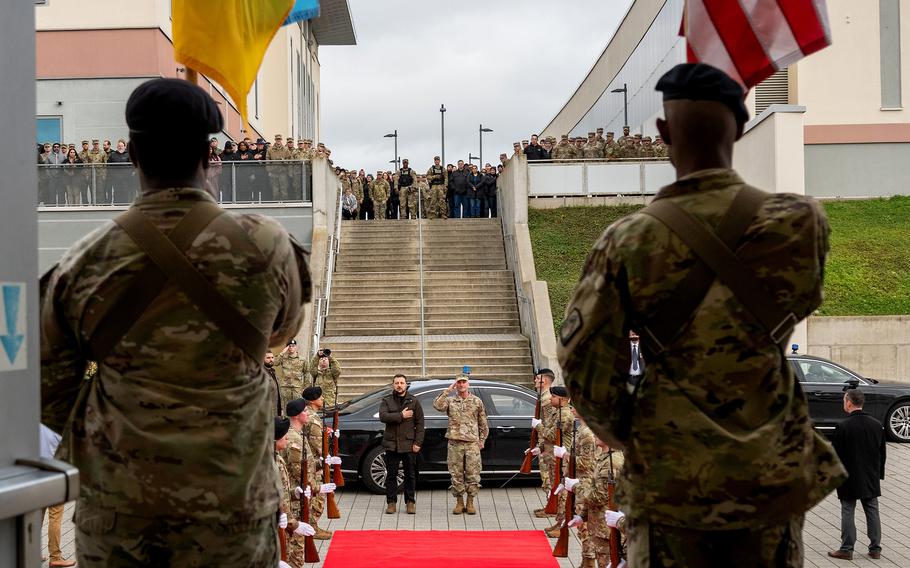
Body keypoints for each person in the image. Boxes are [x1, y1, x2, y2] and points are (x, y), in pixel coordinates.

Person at [558, 63, 846, 567]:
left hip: (671, 486)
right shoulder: (799, 224)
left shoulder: (628, 241)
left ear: (664, 133)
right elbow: (797, 303)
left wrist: (645, 430)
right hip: (768, 478)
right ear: (738, 125)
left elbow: (583, 367)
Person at [40, 78, 311, 566]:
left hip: (120, 513)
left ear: (133, 156)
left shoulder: (84, 260)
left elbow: (49, 392)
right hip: (232, 508)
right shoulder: (264, 245)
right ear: (211, 155)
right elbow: (281, 333)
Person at [828, 389, 887, 561]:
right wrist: (878, 475)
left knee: (848, 510)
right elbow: (882, 453)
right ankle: (875, 548)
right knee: (872, 510)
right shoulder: (877, 425)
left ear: (848, 403)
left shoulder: (843, 426)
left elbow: (835, 455)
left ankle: (847, 549)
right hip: (870, 476)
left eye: (843, 400)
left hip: (849, 477)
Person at [433, 374, 488, 515]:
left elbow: (483, 422)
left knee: (473, 474)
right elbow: (437, 405)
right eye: (459, 383)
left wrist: (482, 440)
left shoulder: (477, 401)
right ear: (456, 385)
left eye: (464, 382)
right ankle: (459, 502)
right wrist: (447, 391)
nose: (461, 385)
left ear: (468, 384)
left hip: (472, 443)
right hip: (454, 443)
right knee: (456, 474)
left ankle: (470, 501)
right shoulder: (451, 401)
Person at [379, 374, 425, 514]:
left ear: (406, 385)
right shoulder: (387, 400)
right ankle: (391, 503)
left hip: (409, 444)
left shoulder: (414, 401)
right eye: (397, 383)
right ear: (393, 384)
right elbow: (383, 416)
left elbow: (420, 423)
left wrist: (418, 442)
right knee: (391, 475)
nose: (399, 385)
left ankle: (410, 502)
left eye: (402, 383)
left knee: (410, 475)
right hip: (391, 444)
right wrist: (401, 416)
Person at [274, 416, 315, 568]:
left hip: (283, 519)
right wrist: (294, 523)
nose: (286, 439)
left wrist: (294, 493)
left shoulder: (276, 458)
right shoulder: (270, 462)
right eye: (283, 437)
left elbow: (283, 492)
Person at [301, 386, 336, 540]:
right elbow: (318, 445)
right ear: (313, 400)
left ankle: (312, 525)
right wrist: (328, 457)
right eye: (320, 397)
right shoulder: (313, 419)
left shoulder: (308, 414)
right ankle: (312, 526)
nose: (323, 399)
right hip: (315, 463)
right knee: (318, 496)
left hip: (311, 461)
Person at [540, 386, 575, 539]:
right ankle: (559, 522)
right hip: (556, 458)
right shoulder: (558, 412)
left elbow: (552, 435)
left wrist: (538, 426)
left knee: (562, 494)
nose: (550, 399)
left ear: (561, 399)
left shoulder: (564, 415)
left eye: (553, 397)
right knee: (558, 490)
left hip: (562, 461)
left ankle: (562, 525)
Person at [40, 423, 76, 567]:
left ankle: (34, 550)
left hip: (36, 474)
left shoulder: (37, 424)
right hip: (54, 476)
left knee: (38, 514)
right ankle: (55, 557)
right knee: (55, 516)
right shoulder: (59, 427)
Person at [276, 339, 306, 404]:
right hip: (285, 387)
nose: (291, 348)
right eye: (289, 346)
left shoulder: (302, 359)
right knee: (285, 408)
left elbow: (306, 373)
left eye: (293, 346)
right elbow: (275, 363)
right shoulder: (283, 358)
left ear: (296, 347)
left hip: (297, 388)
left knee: (297, 408)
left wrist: (305, 387)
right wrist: (282, 353)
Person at [264, 351, 282, 417]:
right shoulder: (261, 373)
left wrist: (281, 408)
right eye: (268, 358)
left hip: (276, 409)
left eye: (272, 357)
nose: (271, 360)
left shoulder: (273, 372)